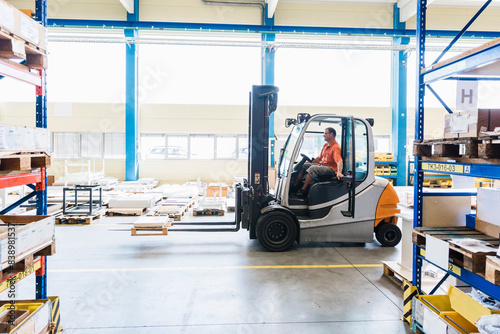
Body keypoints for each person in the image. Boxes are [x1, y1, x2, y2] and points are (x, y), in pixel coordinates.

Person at [291, 127, 343, 198]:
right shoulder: (325, 145)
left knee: (312, 168)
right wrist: (310, 161)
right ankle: (294, 186)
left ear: (331, 134)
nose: (323, 135)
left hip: (331, 169)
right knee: (305, 165)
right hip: (323, 165)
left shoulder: (335, 147)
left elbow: (339, 161)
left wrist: (339, 172)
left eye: (325, 133)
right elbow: (319, 158)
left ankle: (302, 191)